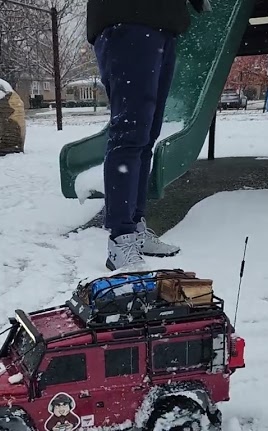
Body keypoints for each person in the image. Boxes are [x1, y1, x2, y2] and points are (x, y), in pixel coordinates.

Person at [87, 0, 209, 272]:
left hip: (164, 24)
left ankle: (135, 227)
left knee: (146, 137)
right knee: (129, 134)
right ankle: (120, 239)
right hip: (128, 16)